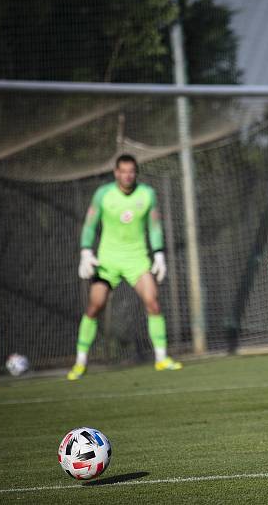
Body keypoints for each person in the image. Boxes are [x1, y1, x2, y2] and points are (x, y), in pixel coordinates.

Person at [67, 154, 182, 380]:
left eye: (131, 171)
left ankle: (161, 358)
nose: (127, 175)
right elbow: (90, 225)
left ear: (135, 172)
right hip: (107, 260)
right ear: (116, 173)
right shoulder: (103, 194)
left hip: (137, 259)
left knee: (153, 302)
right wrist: (85, 252)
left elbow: (154, 226)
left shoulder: (147, 194)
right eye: (123, 171)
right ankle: (80, 362)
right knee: (94, 306)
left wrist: (158, 255)